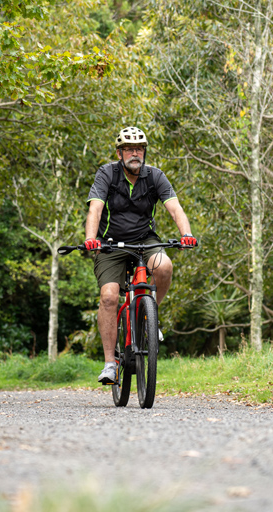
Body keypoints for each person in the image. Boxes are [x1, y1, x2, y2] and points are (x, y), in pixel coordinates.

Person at [84, 126, 197, 384]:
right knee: (110, 296)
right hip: (110, 244)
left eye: (139, 149)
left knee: (165, 266)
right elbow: (96, 209)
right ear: (119, 152)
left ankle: (150, 316)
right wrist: (91, 239)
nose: (135, 154)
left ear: (144, 152)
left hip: (145, 241)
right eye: (129, 149)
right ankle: (109, 364)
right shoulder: (107, 174)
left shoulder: (155, 176)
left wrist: (186, 233)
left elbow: (175, 208)